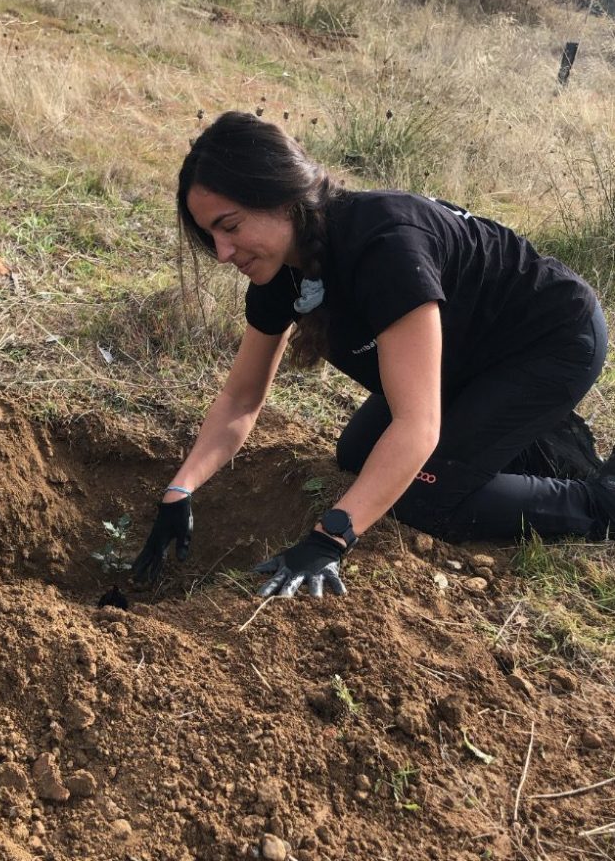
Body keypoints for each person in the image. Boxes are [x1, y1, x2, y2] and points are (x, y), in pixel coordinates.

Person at [131, 110, 613, 598]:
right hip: (466, 357)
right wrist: (181, 489)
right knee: (359, 453)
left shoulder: (384, 244)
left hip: (549, 339)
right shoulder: (279, 273)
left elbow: (416, 425)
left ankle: (599, 502)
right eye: (211, 235)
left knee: (424, 497)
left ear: (278, 194)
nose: (222, 252)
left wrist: (330, 536)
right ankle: (533, 441)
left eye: (229, 226)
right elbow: (240, 400)